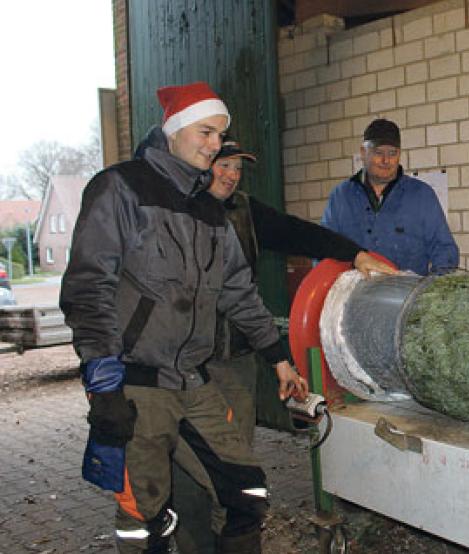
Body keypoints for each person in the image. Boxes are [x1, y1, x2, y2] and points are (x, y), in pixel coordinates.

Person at [60, 82, 308, 554]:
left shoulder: (210, 213)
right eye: (207, 132)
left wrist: (278, 358)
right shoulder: (121, 188)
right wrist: (103, 381)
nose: (215, 145)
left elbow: (239, 292)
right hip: (136, 382)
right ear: (174, 131)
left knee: (246, 490)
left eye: (221, 136)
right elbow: (87, 287)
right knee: (144, 515)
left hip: (192, 380)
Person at [171, 139, 396, 552]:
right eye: (224, 164)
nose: (231, 174)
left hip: (234, 362)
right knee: (186, 469)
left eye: (238, 167)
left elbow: (299, 233)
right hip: (185, 367)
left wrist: (355, 254)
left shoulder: (244, 211)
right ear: (203, 163)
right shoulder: (176, 211)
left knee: (234, 465)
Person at [321, 118, 459, 275]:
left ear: (399, 154)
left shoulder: (422, 195)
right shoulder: (341, 197)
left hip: (406, 296)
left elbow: (444, 249)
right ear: (363, 152)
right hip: (355, 296)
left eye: (392, 153)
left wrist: (435, 291)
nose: (386, 160)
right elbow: (324, 248)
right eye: (378, 153)